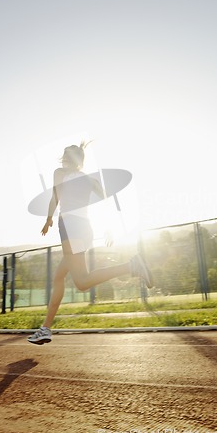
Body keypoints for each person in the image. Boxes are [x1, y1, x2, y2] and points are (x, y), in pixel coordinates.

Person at [28, 142, 153, 345]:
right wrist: (109, 227)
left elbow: (54, 198)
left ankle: (132, 266)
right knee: (58, 277)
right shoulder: (89, 179)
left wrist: (49, 218)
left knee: (82, 282)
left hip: (70, 227)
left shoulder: (59, 173)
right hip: (84, 228)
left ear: (66, 159)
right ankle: (45, 328)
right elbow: (106, 203)